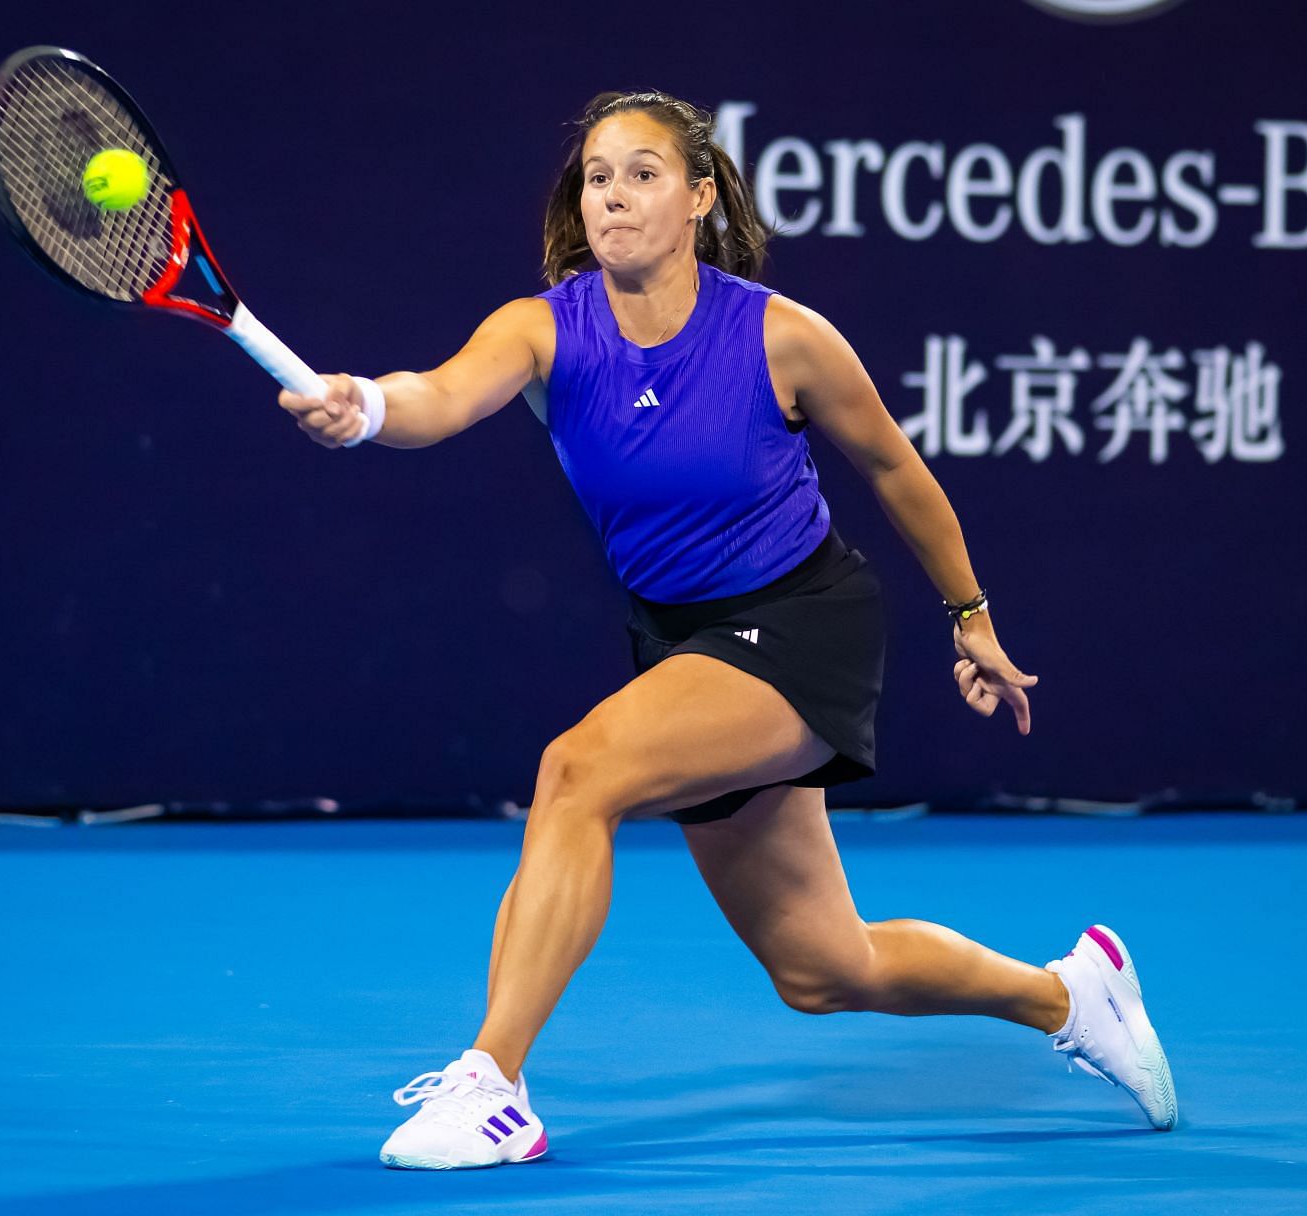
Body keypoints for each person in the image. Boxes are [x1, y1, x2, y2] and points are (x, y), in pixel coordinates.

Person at [278, 90, 1177, 1170]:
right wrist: (365, 407)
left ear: (700, 196)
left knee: (578, 771)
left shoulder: (780, 335)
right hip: (683, 643)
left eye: (643, 173)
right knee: (823, 969)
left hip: (802, 626)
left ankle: (493, 1083)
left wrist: (971, 617)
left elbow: (897, 468)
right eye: (598, 176)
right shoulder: (543, 330)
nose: (613, 194)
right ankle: (1072, 994)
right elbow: (437, 395)